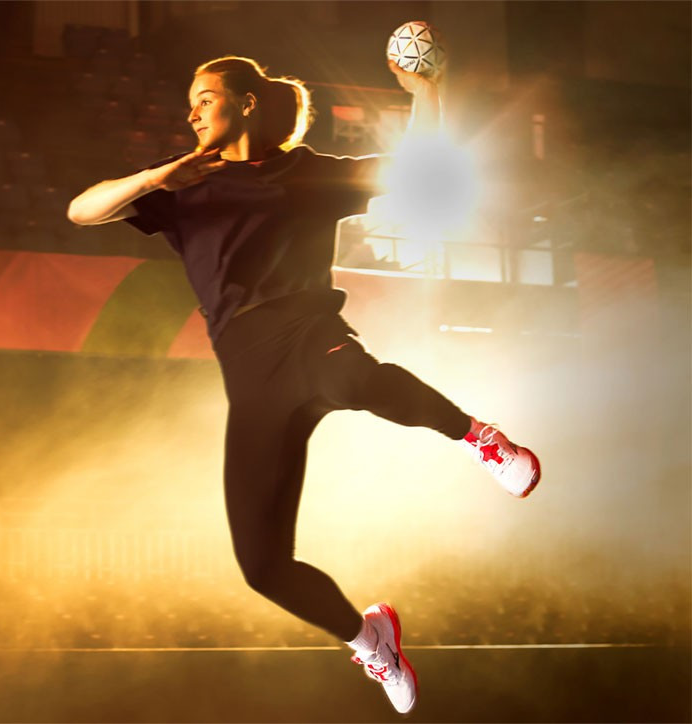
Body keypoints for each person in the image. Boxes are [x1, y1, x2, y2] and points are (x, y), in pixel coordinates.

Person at [66, 54, 542, 715]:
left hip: (302, 328)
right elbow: (80, 211)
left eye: (205, 97)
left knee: (350, 379)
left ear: (248, 102)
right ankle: (371, 639)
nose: (192, 111)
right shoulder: (181, 190)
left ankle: (480, 439)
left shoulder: (309, 171)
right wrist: (159, 174)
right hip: (248, 373)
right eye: (190, 102)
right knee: (261, 567)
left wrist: (429, 90)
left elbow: (415, 168)